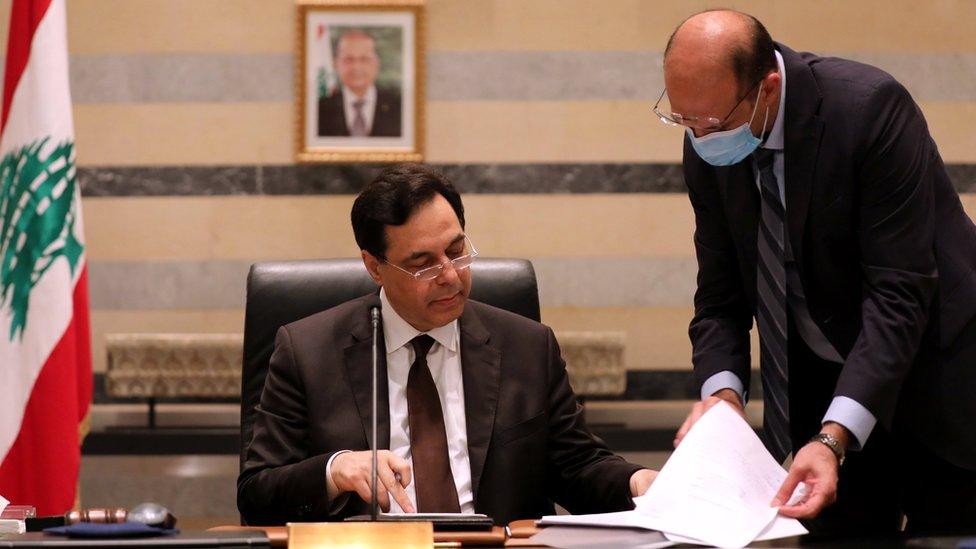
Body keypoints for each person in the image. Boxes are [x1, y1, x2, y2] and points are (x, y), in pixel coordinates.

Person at [661, 9, 976, 536]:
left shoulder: (868, 109)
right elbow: (720, 293)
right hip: (822, 383)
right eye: (682, 119)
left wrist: (834, 436)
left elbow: (899, 294)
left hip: (935, 373)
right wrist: (722, 397)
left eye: (713, 122)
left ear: (768, 87)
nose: (698, 136)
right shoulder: (707, 141)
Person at [237, 164, 656, 525]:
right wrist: (334, 470)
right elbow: (257, 493)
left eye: (456, 252)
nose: (451, 276)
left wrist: (638, 483)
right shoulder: (307, 352)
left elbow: (578, 467)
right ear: (374, 267)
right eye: (423, 264)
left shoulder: (527, 347)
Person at [318, 29, 402, 138]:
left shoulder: (400, 108)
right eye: (348, 59)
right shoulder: (319, 111)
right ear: (336, 64)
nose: (356, 67)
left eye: (364, 59)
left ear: (376, 64)